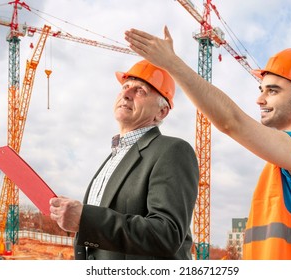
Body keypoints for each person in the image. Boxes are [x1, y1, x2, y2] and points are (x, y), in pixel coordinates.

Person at [124, 26, 291, 260]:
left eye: (272, 91)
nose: (260, 99)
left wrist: (172, 63)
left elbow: (232, 122)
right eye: (261, 90)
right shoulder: (280, 166)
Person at [49, 59, 199, 260]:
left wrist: (86, 219)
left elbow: (166, 235)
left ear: (161, 112)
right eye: (126, 86)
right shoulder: (113, 158)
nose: (126, 94)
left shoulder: (172, 151)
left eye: (140, 91)